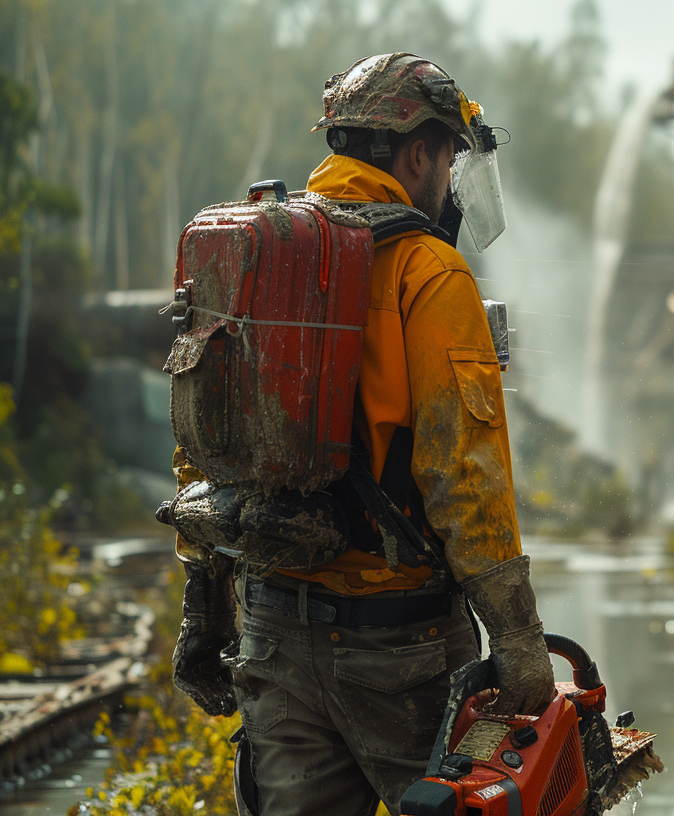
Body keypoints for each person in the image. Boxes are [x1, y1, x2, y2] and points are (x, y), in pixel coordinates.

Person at [168, 53, 554, 816]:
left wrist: (200, 610)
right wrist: (518, 640)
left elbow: (204, 454)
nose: (449, 182)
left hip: (271, 631)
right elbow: (465, 477)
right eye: (448, 159)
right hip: (398, 649)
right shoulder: (429, 274)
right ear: (418, 153)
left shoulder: (256, 261)